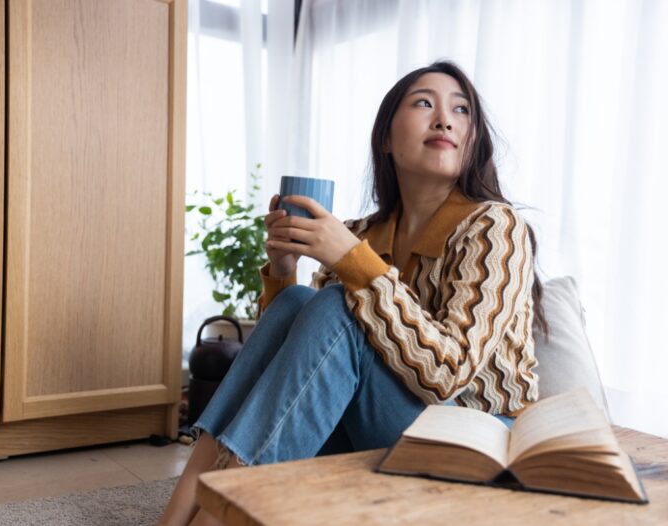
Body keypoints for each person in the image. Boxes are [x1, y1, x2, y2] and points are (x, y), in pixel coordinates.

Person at [157, 60, 547, 526]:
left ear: (473, 138)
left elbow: (449, 374)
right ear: (385, 137)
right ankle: (176, 515)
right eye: (425, 103)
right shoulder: (361, 232)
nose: (445, 119)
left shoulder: (494, 226)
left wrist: (354, 262)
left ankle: (219, 516)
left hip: (475, 440)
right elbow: (294, 368)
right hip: (382, 424)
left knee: (334, 306)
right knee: (304, 303)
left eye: (461, 110)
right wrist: (283, 272)